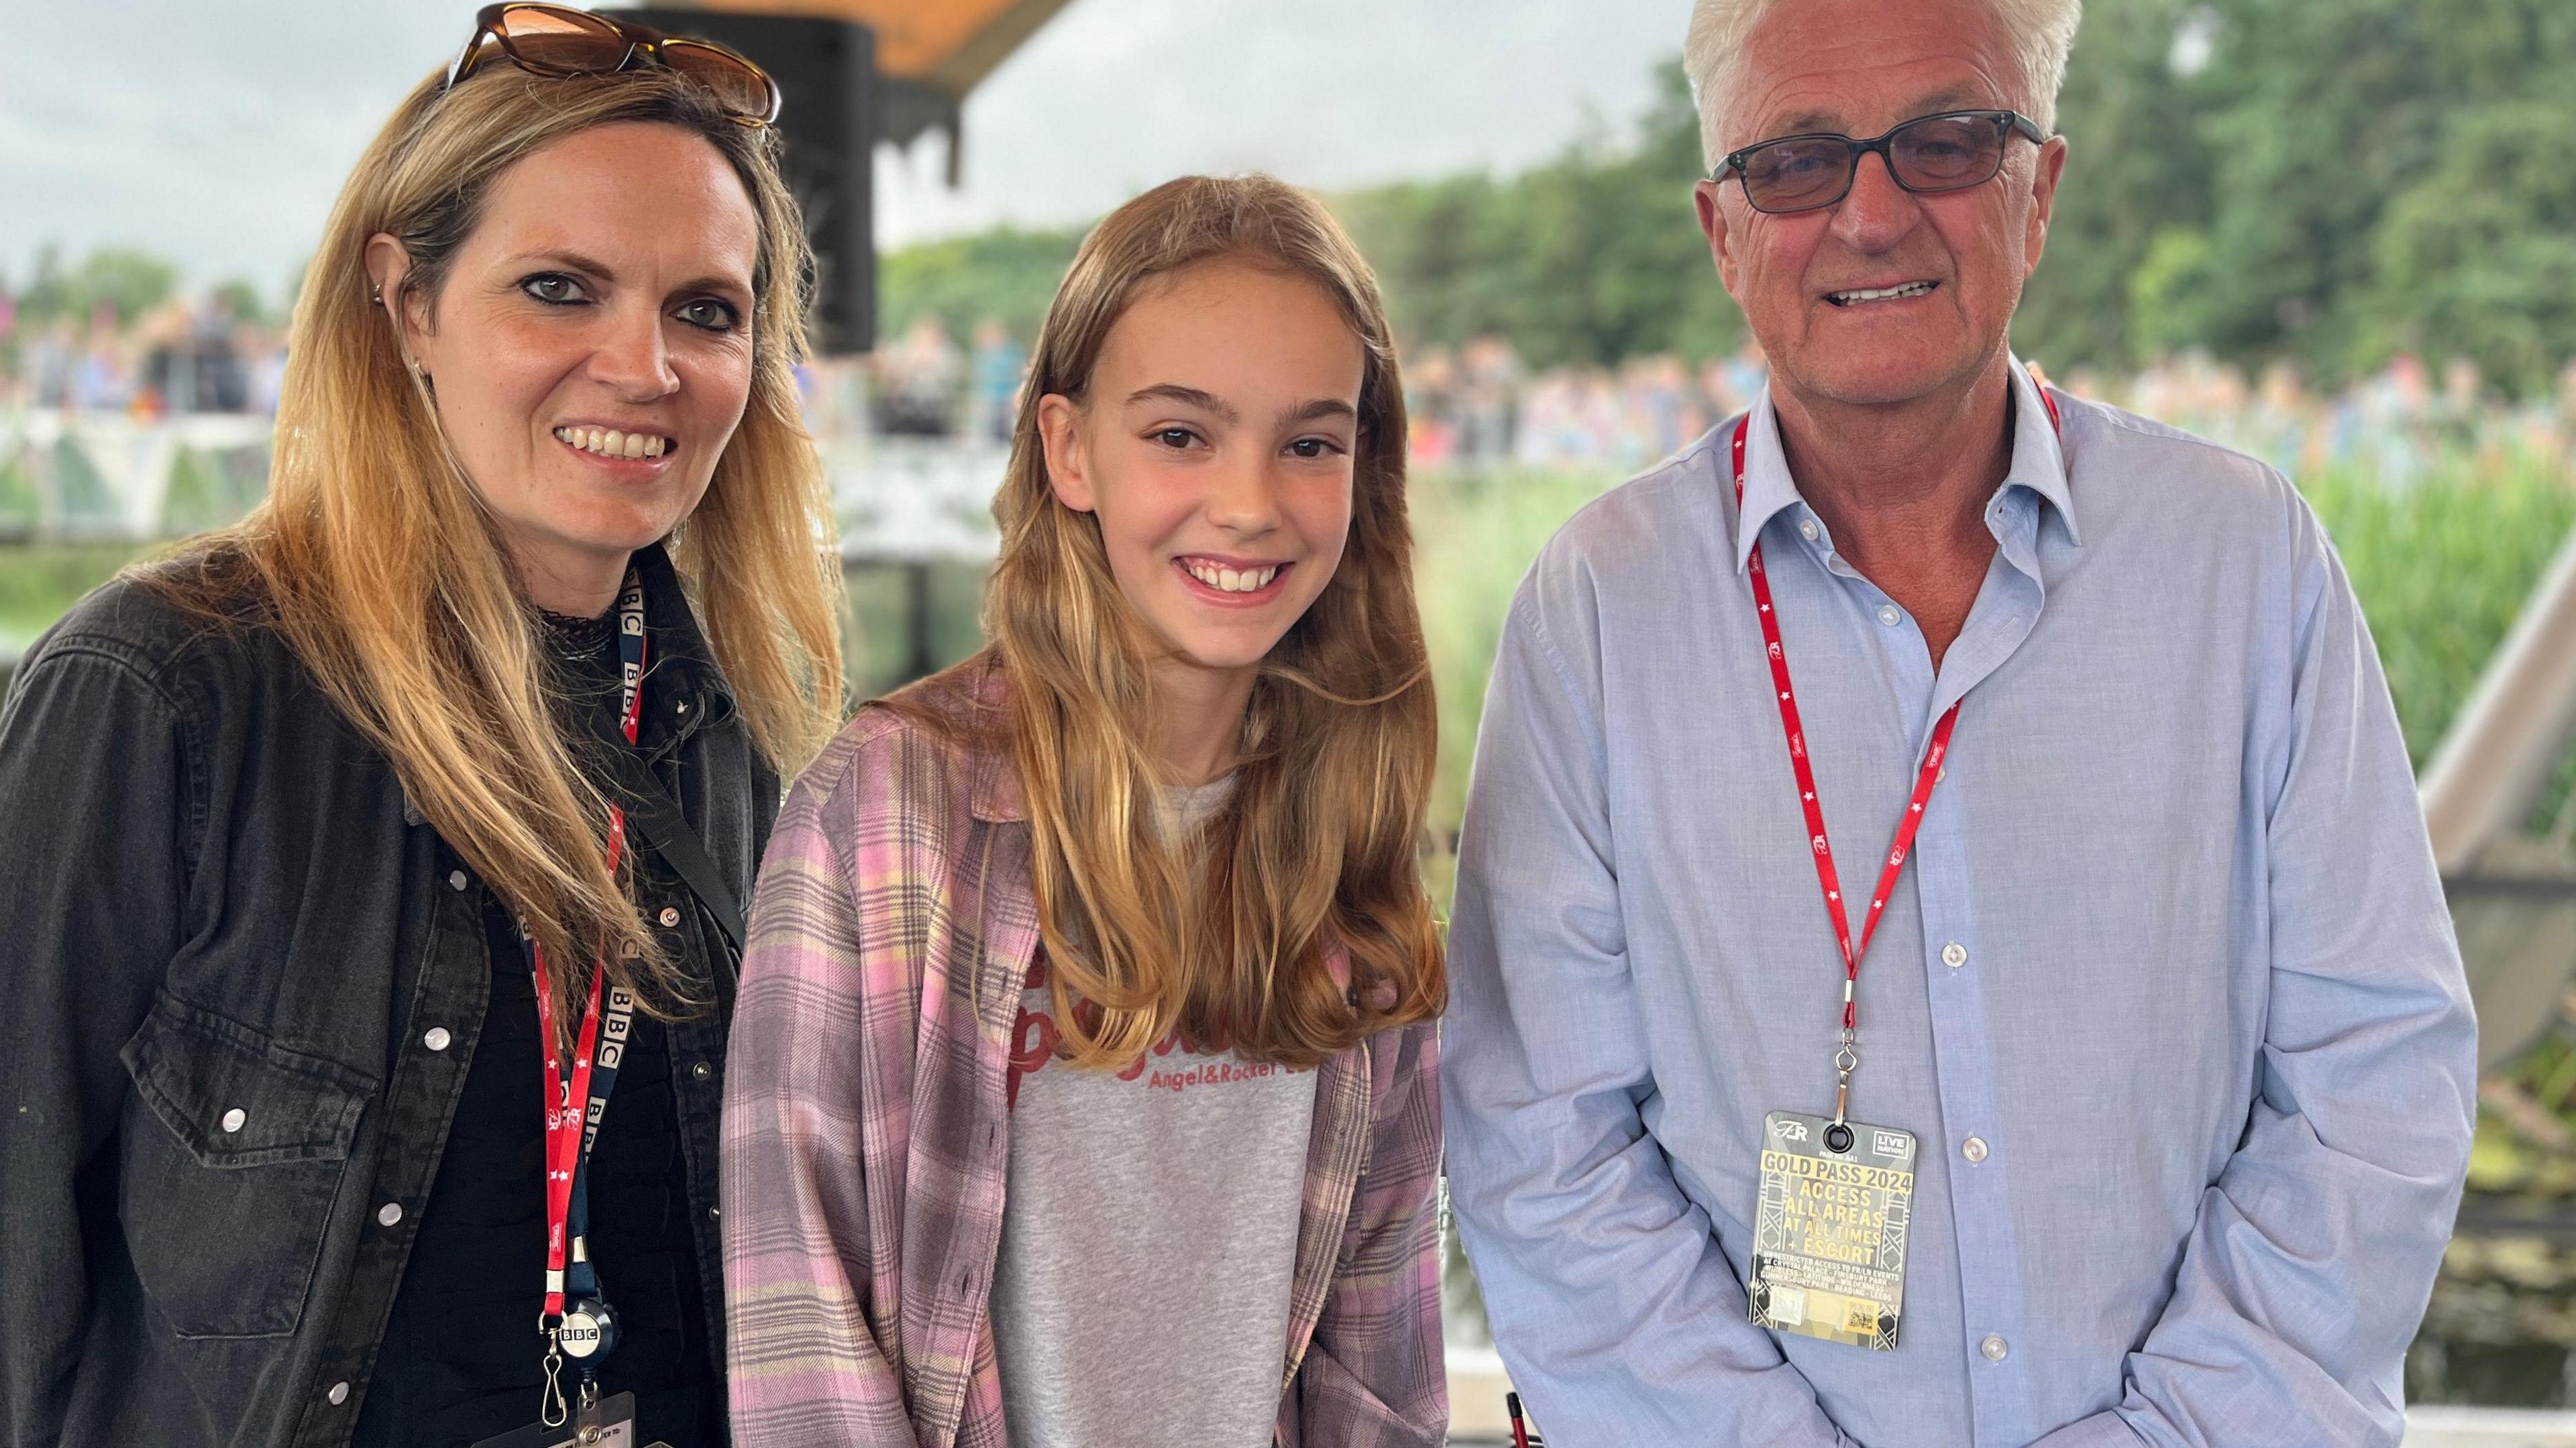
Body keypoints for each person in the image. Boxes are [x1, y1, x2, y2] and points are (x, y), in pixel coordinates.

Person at [1440, 0, 2477, 1444]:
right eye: (1795, 163)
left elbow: (2377, 1081)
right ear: (1720, 230)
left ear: (2039, 189)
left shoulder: (2244, 560)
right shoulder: (1597, 611)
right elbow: (1540, 1144)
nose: (1870, 213)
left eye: (1944, 142)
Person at [0, 8, 845, 1445]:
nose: (645, 367)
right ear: (405, 306)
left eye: (705, 309)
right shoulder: (164, 693)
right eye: (560, 288)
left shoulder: (728, 727)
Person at [722, 174, 1448, 1447]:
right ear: (1069, 449)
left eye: (1310, 442)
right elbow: (801, 1321)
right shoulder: (885, 811)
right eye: (1181, 434)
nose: (1250, 503)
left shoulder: (1350, 833)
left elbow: (1378, 1348)